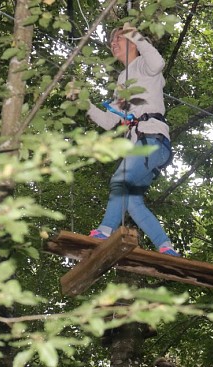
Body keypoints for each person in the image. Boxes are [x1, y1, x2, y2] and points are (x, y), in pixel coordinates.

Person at [86, 23, 179, 257]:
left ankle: (105, 230)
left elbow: (158, 63)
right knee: (132, 202)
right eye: (111, 42)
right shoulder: (122, 80)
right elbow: (109, 121)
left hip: (152, 139)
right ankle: (165, 246)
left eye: (118, 39)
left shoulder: (145, 66)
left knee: (120, 180)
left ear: (133, 43)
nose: (113, 44)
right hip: (142, 146)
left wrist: (135, 34)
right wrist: (83, 103)